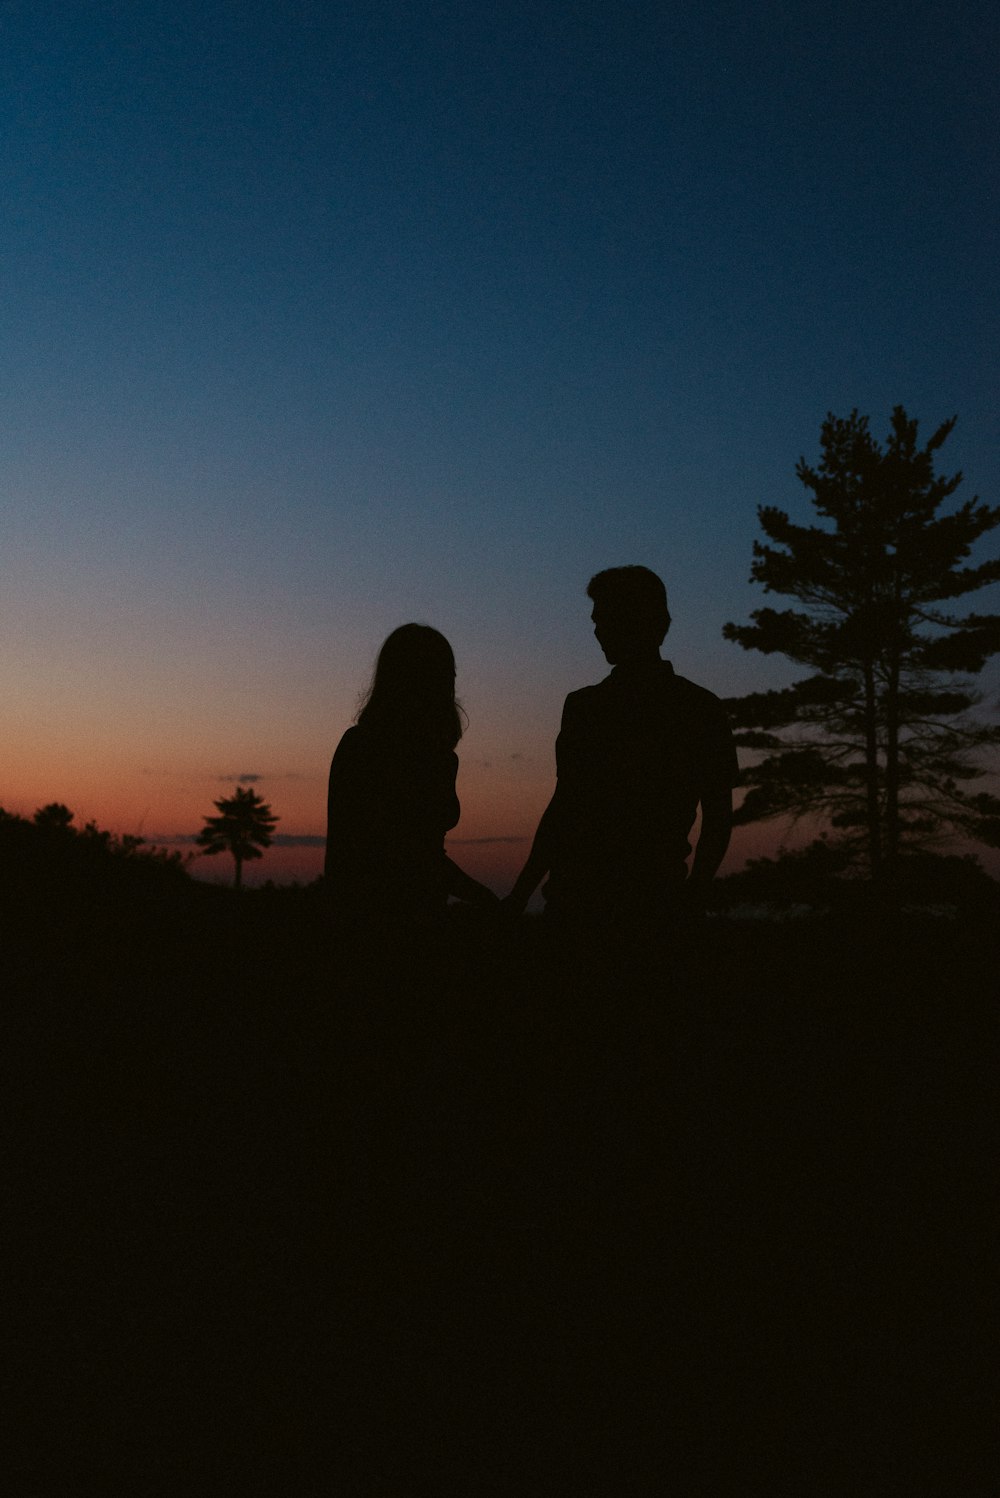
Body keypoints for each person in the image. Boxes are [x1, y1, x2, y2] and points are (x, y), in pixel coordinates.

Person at [504, 566, 739, 937]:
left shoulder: (595, 708)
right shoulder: (697, 707)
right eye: (597, 620)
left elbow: (718, 814)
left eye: (607, 618)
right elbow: (564, 810)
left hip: (607, 908)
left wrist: (520, 894)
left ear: (646, 621)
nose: (597, 630)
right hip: (607, 906)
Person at [325, 624, 497, 926]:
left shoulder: (439, 758)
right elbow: (401, 855)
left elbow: (424, 855)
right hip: (376, 921)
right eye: (445, 677)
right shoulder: (364, 748)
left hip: (418, 917)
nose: (452, 687)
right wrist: (485, 897)